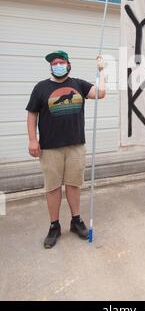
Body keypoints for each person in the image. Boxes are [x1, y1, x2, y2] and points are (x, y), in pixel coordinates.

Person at [26, 50, 105, 248]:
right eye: (54, 63)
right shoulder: (41, 88)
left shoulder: (78, 85)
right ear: (50, 67)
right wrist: (32, 140)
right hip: (50, 148)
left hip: (76, 145)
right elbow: (32, 114)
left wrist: (102, 71)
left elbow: (101, 93)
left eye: (61, 62)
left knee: (73, 184)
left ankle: (76, 221)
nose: (58, 65)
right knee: (52, 187)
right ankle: (54, 226)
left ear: (69, 65)